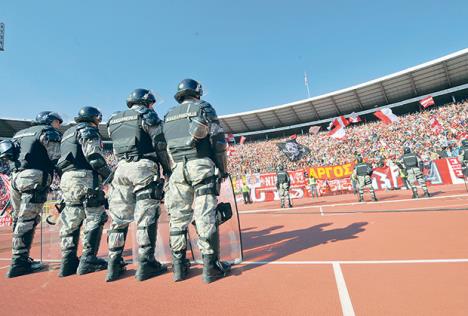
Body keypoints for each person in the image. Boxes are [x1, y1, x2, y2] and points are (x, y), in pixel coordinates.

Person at [164, 78, 231, 283]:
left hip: (177, 169)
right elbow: (218, 140)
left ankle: (179, 266)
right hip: (200, 164)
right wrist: (222, 168)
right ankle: (210, 267)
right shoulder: (204, 108)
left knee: (177, 218)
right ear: (197, 92)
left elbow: (163, 145)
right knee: (204, 215)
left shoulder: (167, 115)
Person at [106, 89, 172, 282]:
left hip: (121, 168)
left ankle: (113, 263)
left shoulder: (114, 119)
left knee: (118, 218)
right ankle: (146, 263)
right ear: (147, 102)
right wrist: (167, 168)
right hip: (143, 166)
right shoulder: (146, 114)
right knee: (145, 216)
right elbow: (159, 142)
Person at [2, 111, 62, 278]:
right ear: (49, 121)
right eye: (57, 121)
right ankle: (19, 263)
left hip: (15, 178)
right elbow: (56, 158)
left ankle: (20, 258)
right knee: (27, 219)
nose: (59, 124)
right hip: (33, 177)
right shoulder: (48, 132)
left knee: (19, 218)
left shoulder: (19, 133)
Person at [56, 106, 112, 277]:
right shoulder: (89, 130)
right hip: (85, 177)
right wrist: (109, 175)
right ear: (95, 119)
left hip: (66, 178)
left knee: (71, 219)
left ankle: (67, 261)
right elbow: (94, 156)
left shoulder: (67, 134)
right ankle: (88, 260)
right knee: (95, 217)